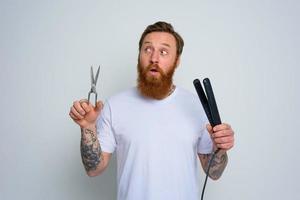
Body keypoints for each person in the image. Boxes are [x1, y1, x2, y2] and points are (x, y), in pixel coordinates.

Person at [69, 21, 235, 200]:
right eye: (147, 49)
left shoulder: (196, 106)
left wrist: (220, 149)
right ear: (139, 55)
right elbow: (94, 169)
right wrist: (87, 127)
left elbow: (214, 173)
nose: (154, 58)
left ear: (177, 60)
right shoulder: (115, 105)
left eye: (164, 52)